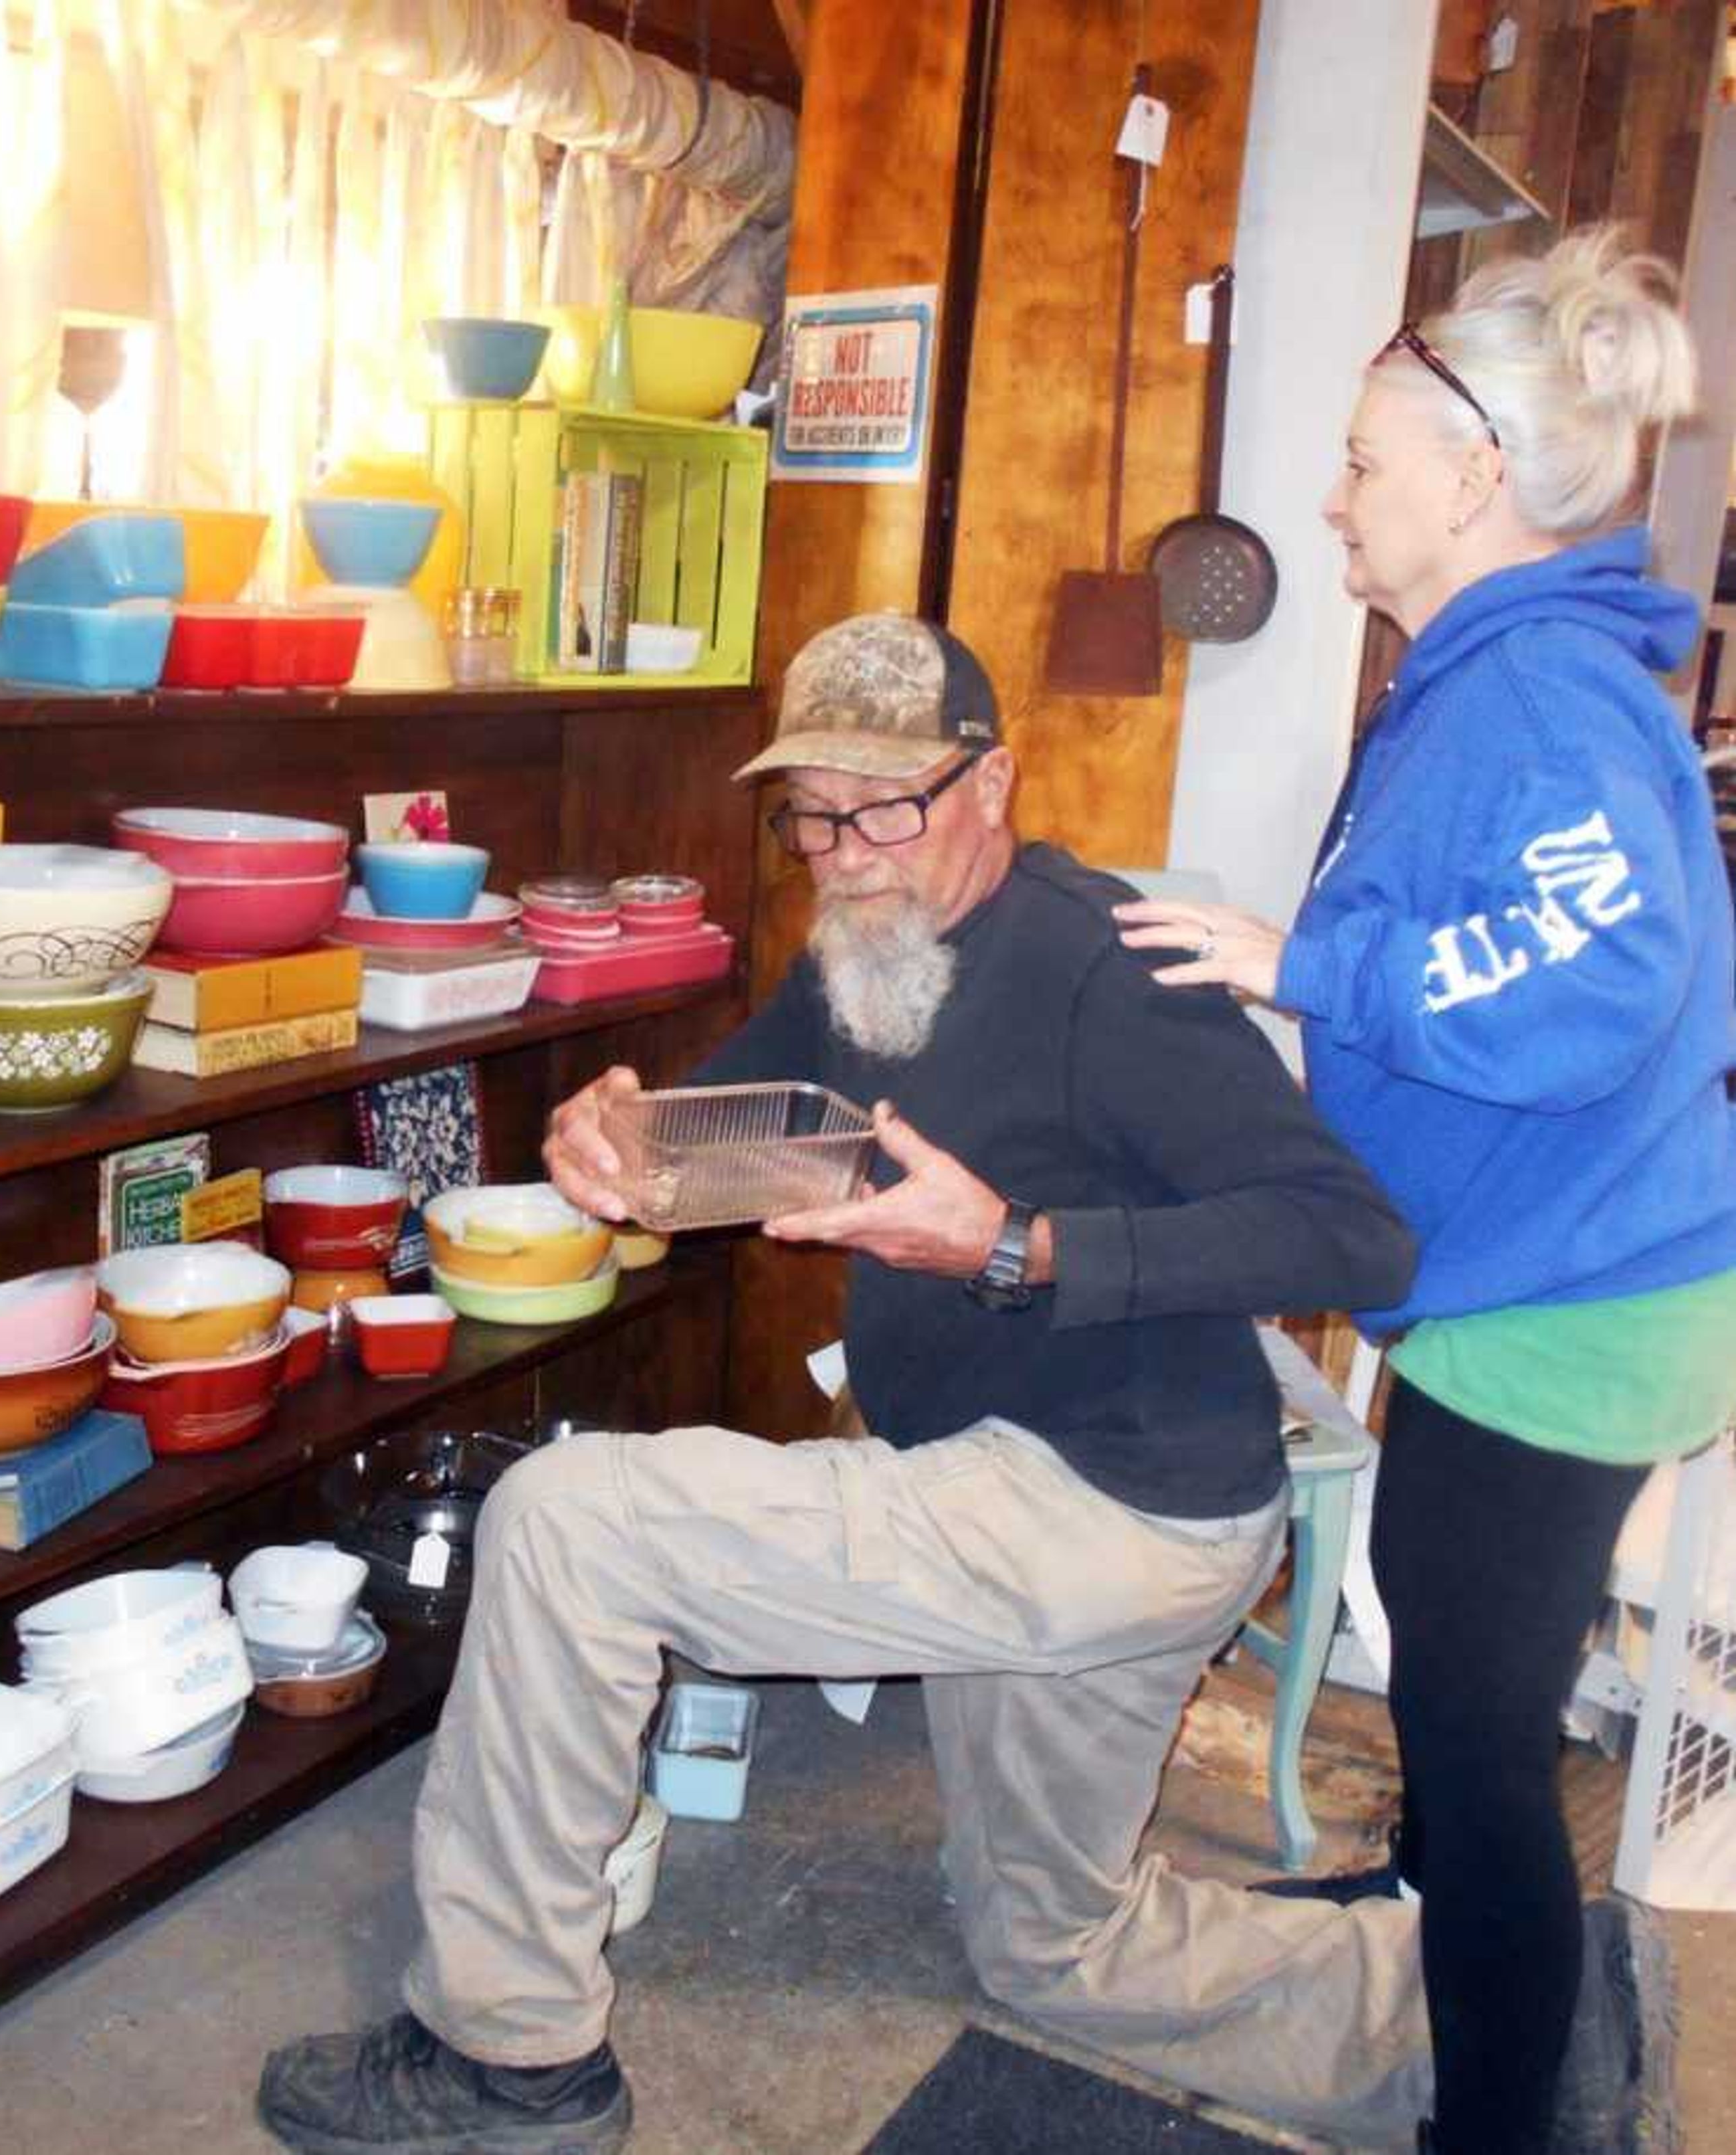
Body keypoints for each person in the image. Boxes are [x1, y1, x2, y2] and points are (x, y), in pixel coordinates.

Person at [258, 611, 1440, 2155]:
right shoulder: (868, 958)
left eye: (887, 807)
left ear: (994, 781)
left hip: (1112, 1498)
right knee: (1052, 1950)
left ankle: (512, 2061)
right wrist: (626, 1145)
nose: (849, 851)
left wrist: (1012, 1245)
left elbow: (1360, 1242)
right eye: (814, 814)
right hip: (1021, 1478)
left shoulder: (1112, 976)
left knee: (568, 1519)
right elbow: (744, 1122)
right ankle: (1476, 2011)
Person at [1117, 226, 1731, 2155]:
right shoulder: (1507, 669)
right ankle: (1422, 1912)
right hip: (1553, 1271)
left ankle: (1492, 2112)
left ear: (1473, 480)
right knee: (1464, 1695)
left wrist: (1312, 964)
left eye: (1365, 460)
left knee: (1477, 1746)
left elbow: (1602, 973)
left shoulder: (1538, 690)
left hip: (1571, 1301)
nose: (1333, 497)